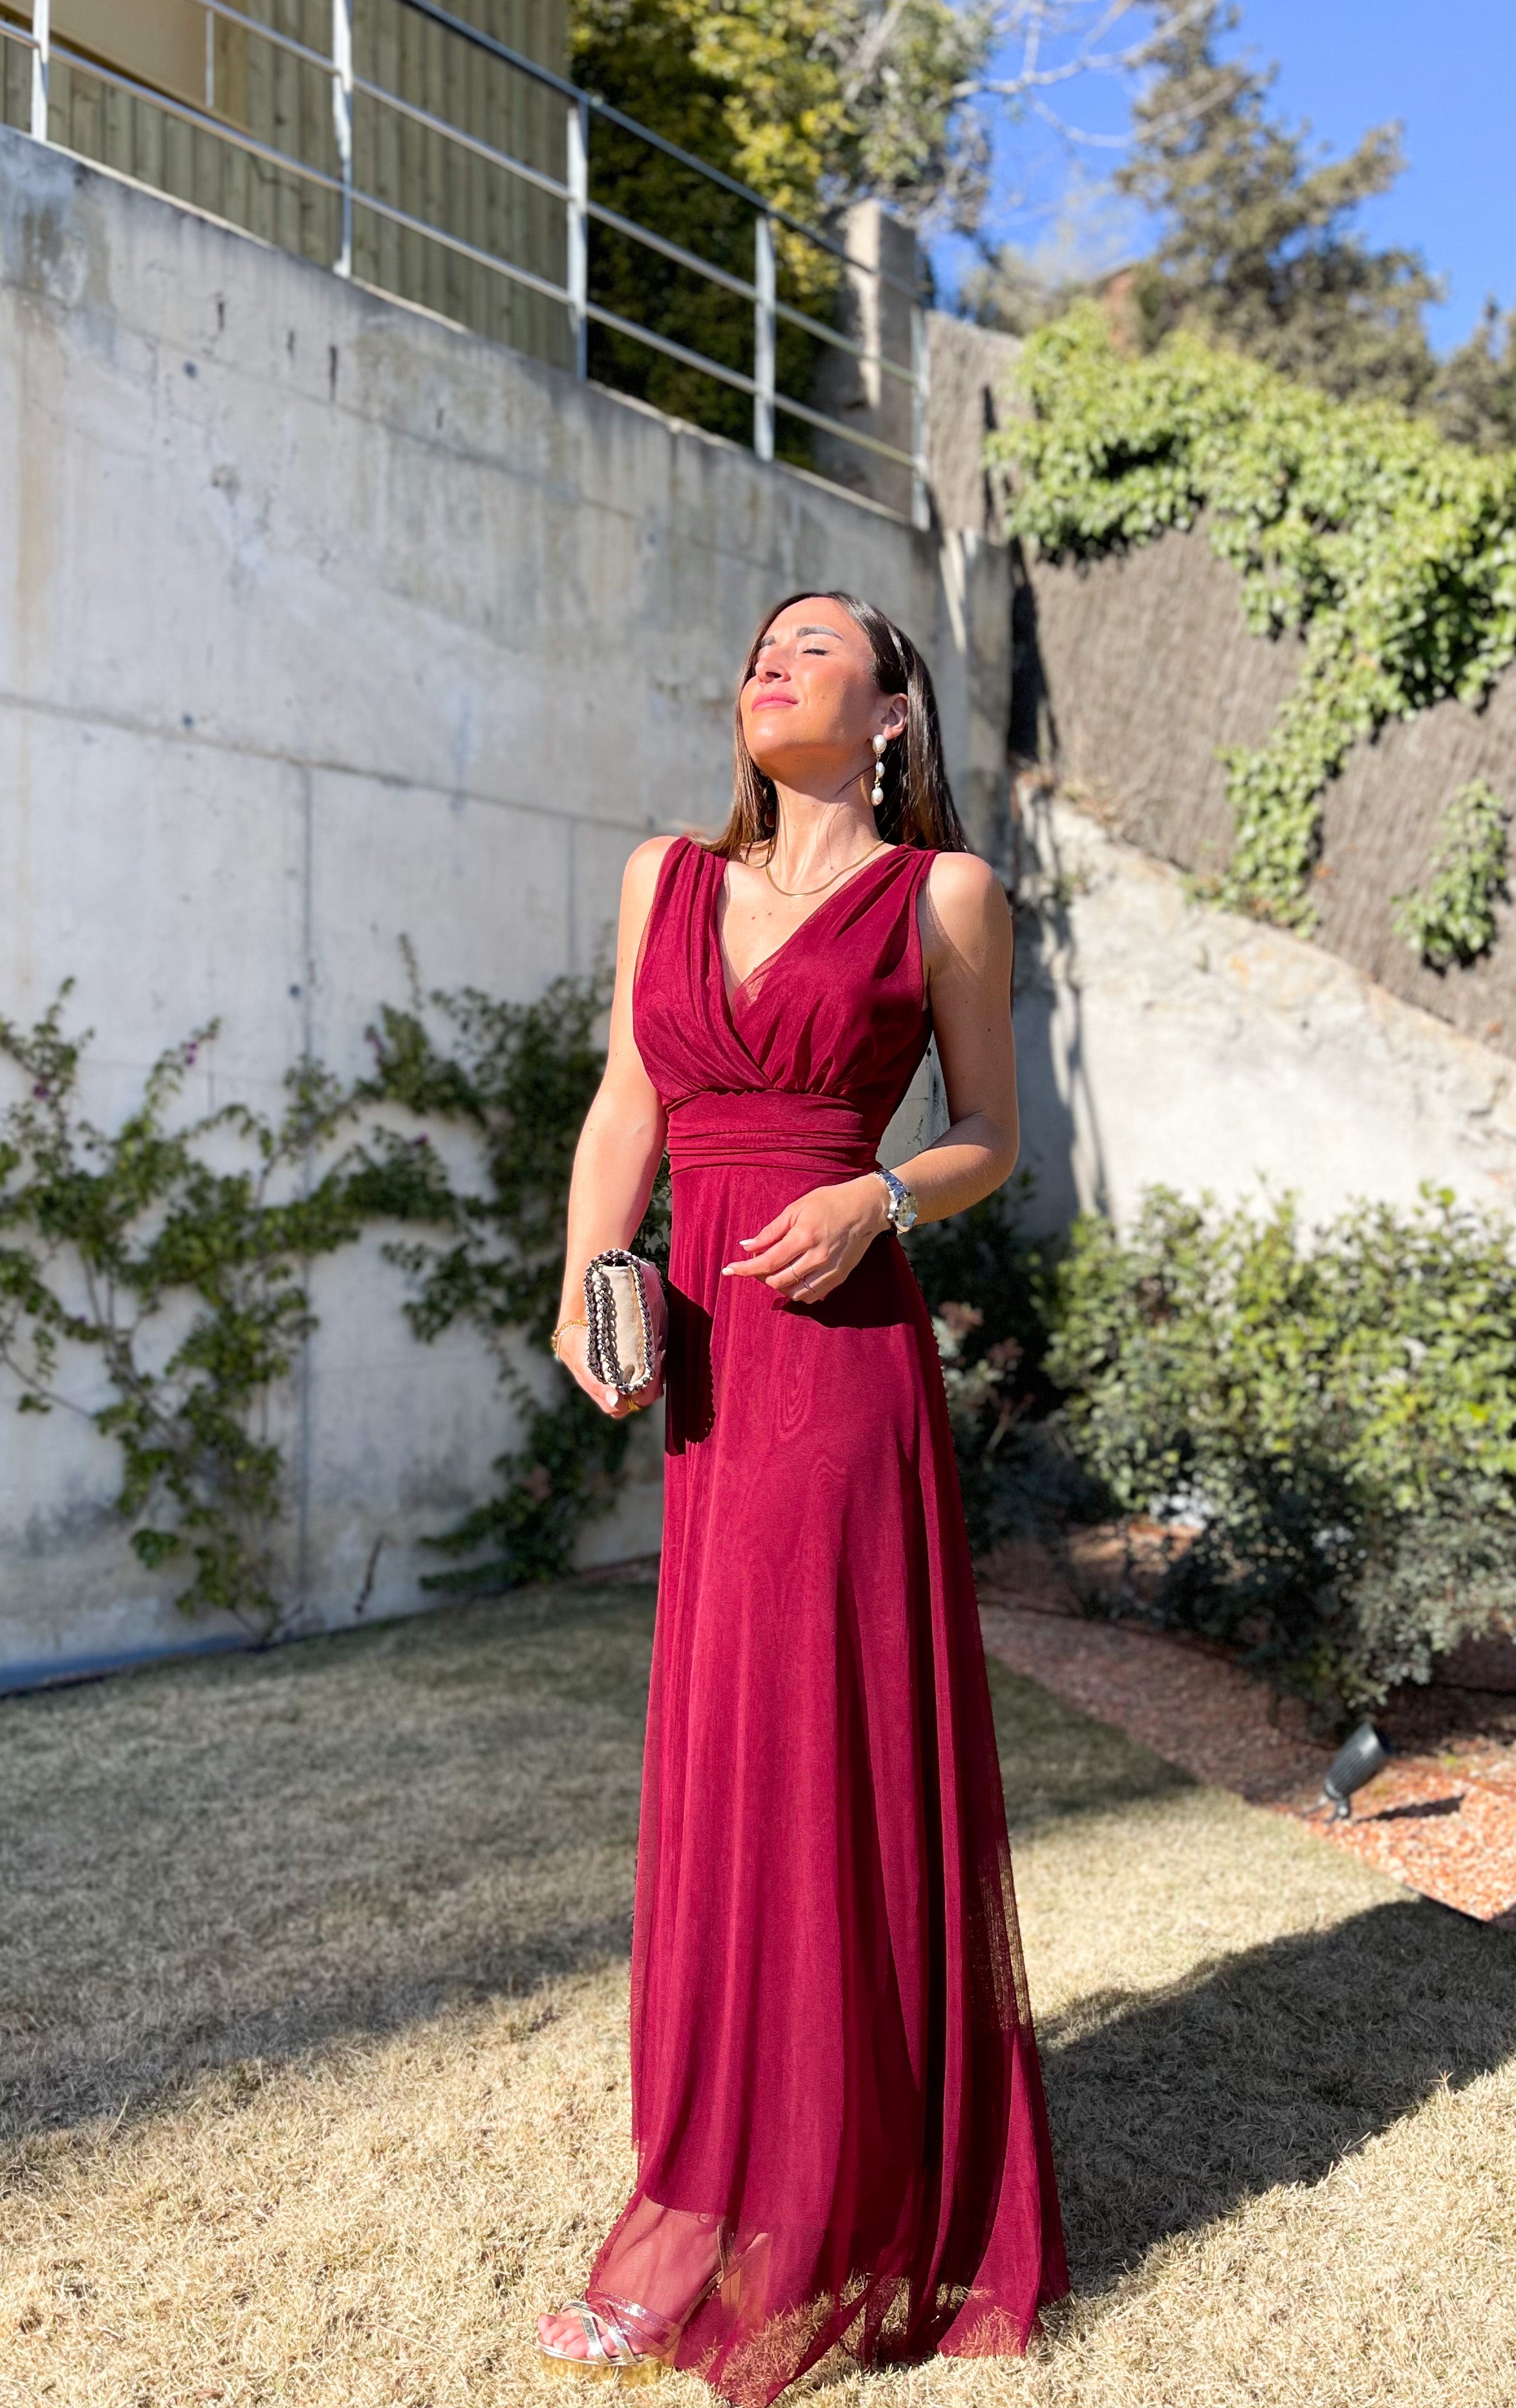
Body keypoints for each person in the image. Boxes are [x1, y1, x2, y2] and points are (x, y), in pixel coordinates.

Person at [537, 592, 1068, 2401]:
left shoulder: (945, 900)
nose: (768, 659)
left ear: (894, 710)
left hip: (841, 1362)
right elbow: (628, 1100)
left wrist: (882, 1198)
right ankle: (706, 2186)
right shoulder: (662, 879)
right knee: (720, 1765)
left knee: (826, 1748)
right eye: (756, 642)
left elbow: (989, 1130)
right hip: (699, 1359)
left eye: (815, 641)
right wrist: (580, 1270)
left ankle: (846, 2200)